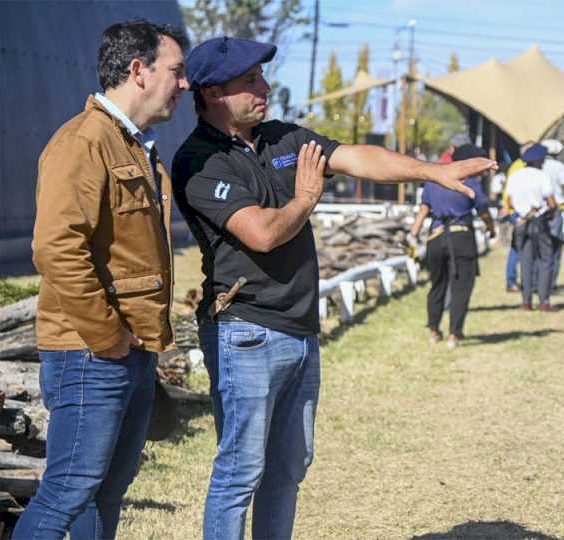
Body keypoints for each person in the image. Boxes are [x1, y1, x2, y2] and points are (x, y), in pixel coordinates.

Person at [172, 36, 495, 540]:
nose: (265, 87)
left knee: (289, 471)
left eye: (262, 76)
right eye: (250, 81)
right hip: (246, 333)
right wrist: (305, 199)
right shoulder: (198, 161)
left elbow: (361, 158)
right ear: (213, 93)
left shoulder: (281, 137)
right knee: (240, 473)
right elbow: (262, 232)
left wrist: (432, 171)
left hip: (300, 330)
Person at [15, 20, 189, 540]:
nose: (184, 85)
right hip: (90, 353)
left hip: (127, 350)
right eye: (176, 72)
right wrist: (107, 333)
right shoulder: (83, 143)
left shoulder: (133, 146)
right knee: (69, 489)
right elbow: (56, 248)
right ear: (139, 71)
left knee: (105, 490)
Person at [410, 143, 496, 348]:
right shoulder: (471, 183)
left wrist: (413, 234)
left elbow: (423, 210)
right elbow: (483, 210)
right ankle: (454, 334)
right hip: (462, 237)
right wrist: (491, 228)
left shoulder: (434, 181)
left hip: (435, 238)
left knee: (437, 285)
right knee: (461, 287)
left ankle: (433, 330)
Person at [505, 143, 557, 311]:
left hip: (521, 222)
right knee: (545, 260)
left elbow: (510, 201)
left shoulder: (515, 176)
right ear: (538, 161)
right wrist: (550, 212)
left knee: (525, 261)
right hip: (538, 220)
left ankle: (526, 301)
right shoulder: (542, 176)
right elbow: (551, 202)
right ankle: (543, 300)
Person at [501, 141, 535, 292]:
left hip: (518, 211)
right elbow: (510, 193)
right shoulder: (519, 168)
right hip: (520, 212)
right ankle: (514, 280)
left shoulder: (517, 166)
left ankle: (517, 280)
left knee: (518, 246)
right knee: (519, 247)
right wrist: (511, 212)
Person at [541, 139, 564, 293]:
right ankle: (550, 284)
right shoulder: (559, 166)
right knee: (555, 249)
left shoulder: (536, 166)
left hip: (538, 211)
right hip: (556, 211)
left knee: (539, 249)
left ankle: (537, 283)